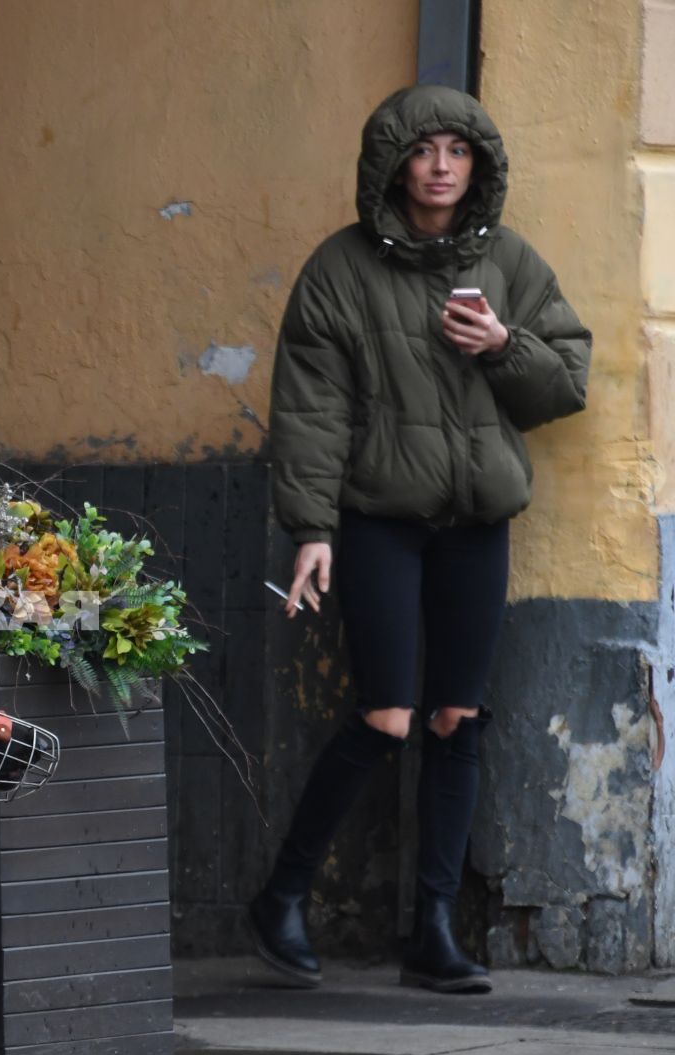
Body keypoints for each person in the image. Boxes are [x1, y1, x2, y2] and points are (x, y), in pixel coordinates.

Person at [251, 85, 590, 994]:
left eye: (459, 150)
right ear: (392, 163)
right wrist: (313, 531)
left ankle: (433, 933)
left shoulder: (512, 263)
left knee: (456, 717)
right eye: (423, 148)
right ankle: (280, 895)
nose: (441, 166)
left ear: (478, 165)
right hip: (378, 522)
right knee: (388, 714)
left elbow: (565, 384)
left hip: (476, 523)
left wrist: (503, 345)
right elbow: (310, 413)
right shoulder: (339, 270)